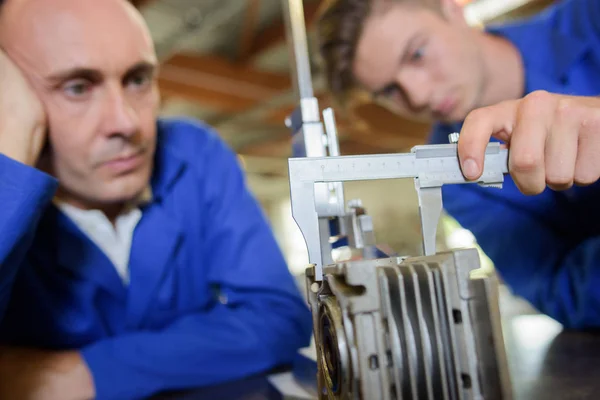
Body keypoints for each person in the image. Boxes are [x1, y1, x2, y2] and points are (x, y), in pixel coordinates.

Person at [0, 0, 313, 399]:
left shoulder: (195, 154)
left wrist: (87, 372)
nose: (127, 122)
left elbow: (281, 319)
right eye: (77, 87)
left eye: (138, 79)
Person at [316, 0, 600, 329]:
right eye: (390, 90)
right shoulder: (453, 176)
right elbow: (560, 291)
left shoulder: (591, 18)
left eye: (416, 53)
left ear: (451, 6)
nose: (418, 96)